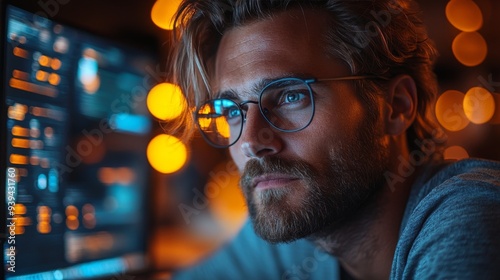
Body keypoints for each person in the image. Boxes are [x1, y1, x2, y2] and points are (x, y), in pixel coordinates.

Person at [168, 0, 500, 279]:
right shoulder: (301, 227)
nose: (251, 142)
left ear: (397, 107)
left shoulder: (470, 219)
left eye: (291, 96)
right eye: (232, 110)